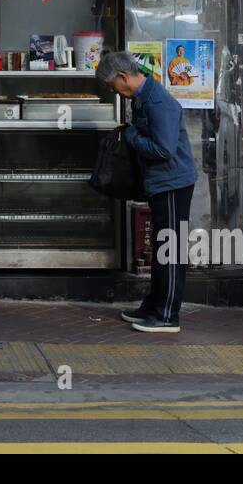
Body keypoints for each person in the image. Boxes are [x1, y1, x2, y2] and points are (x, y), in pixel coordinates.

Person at [97, 50, 198, 333]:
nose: (111, 90)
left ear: (122, 77)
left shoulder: (156, 102)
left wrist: (130, 135)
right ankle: (154, 304)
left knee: (170, 249)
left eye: (110, 85)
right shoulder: (144, 97)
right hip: (162, 182)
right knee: (162, 247)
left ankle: (167, 314)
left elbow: (163, 149)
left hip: (172, 183)